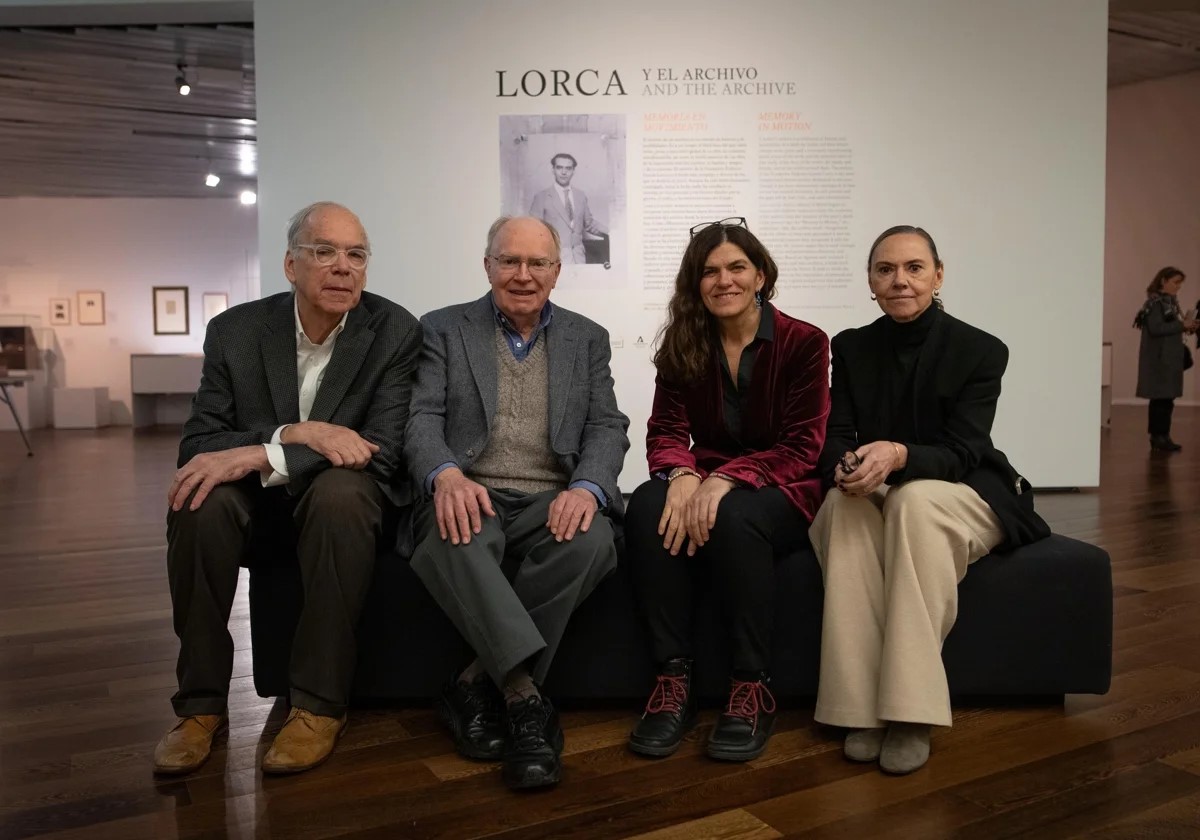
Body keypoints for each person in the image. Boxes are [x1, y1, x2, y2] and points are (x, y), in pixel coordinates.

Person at [153, 201, 422, 777]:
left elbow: (381, 448)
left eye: (356, 255)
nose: (342, 267)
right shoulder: (237, 331)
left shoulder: (394, 330)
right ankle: (199, 706)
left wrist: (259, 451)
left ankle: (319, 706)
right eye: (324, 252)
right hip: (256, 501)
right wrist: (295, 434)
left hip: (339, 503)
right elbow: (200, 444)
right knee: (200, 497)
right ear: (290, 265)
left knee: (341, 491)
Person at [810, 225, 1049, 775]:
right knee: (841, 507)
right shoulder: (849, 347)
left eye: (914, 268)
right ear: (870, 281)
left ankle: (910, 710)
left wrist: (896, 456)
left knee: (912, 504)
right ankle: (857, 708)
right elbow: (837, 433)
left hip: (965, 490)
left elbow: (963, 450)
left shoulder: (982, 350)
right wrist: (845, 466)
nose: (901, 281)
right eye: (886, 270)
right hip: (879, 487)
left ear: (938, 276)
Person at [404, 215, 629, 789]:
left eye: (537, 263)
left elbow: (606, 426)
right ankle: (525, 701)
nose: (522, 275)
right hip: (470, 488)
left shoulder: (588, 337)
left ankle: (473, 683)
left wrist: (586, 487)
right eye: (509, 261)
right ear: (487, 266)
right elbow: (422, 417)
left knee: (595, 537)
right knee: (457, 535)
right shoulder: (443, 329)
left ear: (556, 272)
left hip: (548, 495)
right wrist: (446, 474)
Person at [625, 218, 830, 762]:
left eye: (737, 267)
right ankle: (673, 681)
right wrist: (681, 474)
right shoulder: (685, 342)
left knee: (735, 516)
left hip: (786, 486)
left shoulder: (805, 342)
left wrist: (726, 477)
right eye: (709, 271)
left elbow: (805, 446)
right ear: (696, 283)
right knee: (646, 505)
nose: (724, 280)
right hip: (711, 479)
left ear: (760, 274)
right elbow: (665, 431)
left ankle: (751, 686)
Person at [1135, 266, 1194, 452]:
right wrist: (1181, 325)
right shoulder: (1155, 303)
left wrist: (1186, 325)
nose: (1178, 287)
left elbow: (1169, 327)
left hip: (1168, 358)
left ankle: (1163, 436)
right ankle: (1158, 437)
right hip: (1160, 359)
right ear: (1163, 281)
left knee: (1166, 399)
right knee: (1161, 400)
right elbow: (1156, 328)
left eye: (1180, 283)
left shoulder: (1168, 302)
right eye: (1175, 282)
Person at [529, 153, 607, 265]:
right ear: (553, 170)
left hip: (579, 259)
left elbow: (590, 224)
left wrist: (614, 232)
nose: (564, 172)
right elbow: (533, 231)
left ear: (573, 171)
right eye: (559, 167)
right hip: (552, 260)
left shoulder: (580, 196)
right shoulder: (541, 197)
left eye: (568, 168)